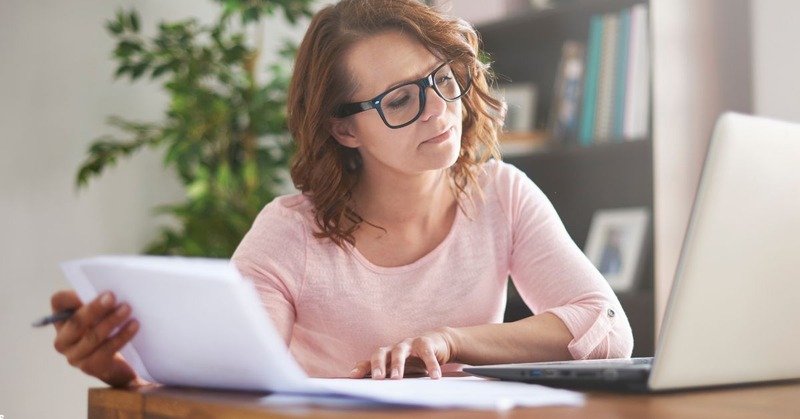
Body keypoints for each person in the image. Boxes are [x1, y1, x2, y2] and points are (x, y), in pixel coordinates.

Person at [49, 0, 633, 387]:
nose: (439, 111)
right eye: (401, 101)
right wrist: (121, 373)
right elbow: (230, 381)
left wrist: (453, 341)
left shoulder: (502, 195)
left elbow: (607, 330)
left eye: (442, 79)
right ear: (343, 128)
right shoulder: (289, 232)